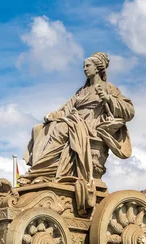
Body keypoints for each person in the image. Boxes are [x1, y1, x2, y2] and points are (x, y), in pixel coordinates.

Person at [21, 52, 134, 185]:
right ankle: (44, 172)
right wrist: (53, 115)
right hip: (74, 120)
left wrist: (108, 98)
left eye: (87, 66)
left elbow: (129, 111)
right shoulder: (81, 91)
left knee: (62, 128)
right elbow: (66, 109)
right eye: (84, 66)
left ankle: (39, 172)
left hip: (91, 125)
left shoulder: (109, 88)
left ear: (97, 68)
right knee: (39, 129)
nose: (85, 69)